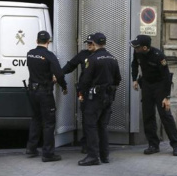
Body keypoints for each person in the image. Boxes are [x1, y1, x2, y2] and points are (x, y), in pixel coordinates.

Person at [130, 34, 177, 156]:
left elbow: (166, 78)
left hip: (160, 86)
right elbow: (134, 64)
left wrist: (167, 97)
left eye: (137, 47)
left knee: (165, 115)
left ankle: (176, 145)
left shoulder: (158, 56)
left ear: (144, 47)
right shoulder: (137, 53)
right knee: (148, 115)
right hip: (147, 85)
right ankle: (153, 144)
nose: (135, 49)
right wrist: (135, 79)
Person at [77, 33, 121, 166]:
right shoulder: (113, 58)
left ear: (95, 43)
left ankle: (93, 156)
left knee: (91, 126)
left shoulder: (92, 59)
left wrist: (81, 93)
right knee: (102, 127)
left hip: (94, 98)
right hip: (108, 97)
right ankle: (104, 155)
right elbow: (118, 79)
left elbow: (85, 80)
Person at [25, 30, 68, 162]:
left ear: (36, 41)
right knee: (49, 123)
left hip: (32, 90)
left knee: (36, 119)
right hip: (44, 92)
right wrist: (63, 86)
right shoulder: (49, 56)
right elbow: (59, 74)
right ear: (48, 42)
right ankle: (48, 154)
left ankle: (31, 149)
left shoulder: (30, 54)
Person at [62, 34, 95, 154]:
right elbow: (71, 65)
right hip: (85, 92)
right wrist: (59, 74)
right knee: (86, 119)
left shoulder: (101, 56)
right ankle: (86, 144)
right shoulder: (83, 54)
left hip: (98, 92)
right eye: (88, 43)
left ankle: (96, 144)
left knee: (98, 121)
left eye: (92, 43)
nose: (89, 45)